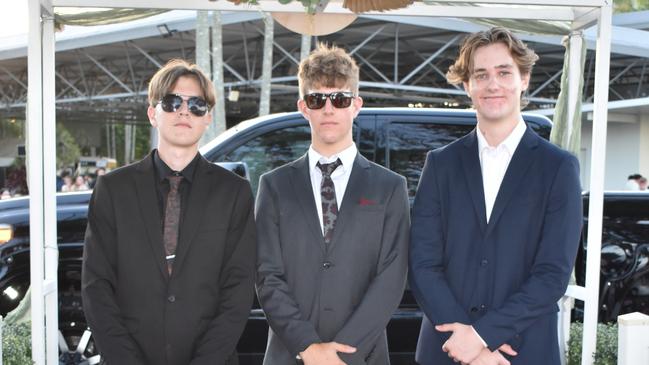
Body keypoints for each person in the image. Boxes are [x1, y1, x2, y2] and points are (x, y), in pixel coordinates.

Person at [409, 27, 582, 365]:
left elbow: (552, 273)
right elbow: (422, 264)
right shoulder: (440, 164)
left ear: (525, 78)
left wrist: (484, 337)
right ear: (466, 85)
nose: (493, 84)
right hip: (446, 350)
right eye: (481, 74)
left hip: (524, 350)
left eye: (504, 72)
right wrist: (465, 342)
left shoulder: (558, 168)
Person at [82, 59, 257, 365]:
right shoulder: (112, 189)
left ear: (208, 118)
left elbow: (238, 291)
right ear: (153, 113)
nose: (184, 110)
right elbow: (97, 287)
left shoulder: (234, 192)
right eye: (172, 101)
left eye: (197, 105)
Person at [255, 43, 410, 365]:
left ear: (356, 105)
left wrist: (342, 351)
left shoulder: (390, 187)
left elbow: (392, 276)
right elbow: (266, 275)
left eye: (339, 99)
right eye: (317, 99)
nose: (328, 109)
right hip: (290, 354)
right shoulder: (274, 186)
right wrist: (309, 348)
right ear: (303, 106)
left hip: (362, 355)